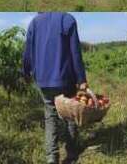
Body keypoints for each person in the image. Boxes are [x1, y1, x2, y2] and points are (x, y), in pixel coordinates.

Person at [22, 12, 88, 164]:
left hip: (44, 80)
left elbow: (28, 52)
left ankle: (52, 157)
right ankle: (71, 152)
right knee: (70, 116)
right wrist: (81, 79)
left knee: (50, 116)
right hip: (66, 80)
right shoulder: (67, 19)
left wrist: (26, 72)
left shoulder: (34, 22)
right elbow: (75, 53)